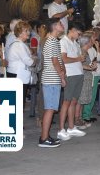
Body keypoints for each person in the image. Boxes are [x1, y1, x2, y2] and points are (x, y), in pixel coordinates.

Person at [39, 18, 66, 148]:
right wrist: (62, 77)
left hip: (52, 79)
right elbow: (55, 61)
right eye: (60, 23)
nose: (62, 25)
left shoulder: (54, 41)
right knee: (50, 109)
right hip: (51, 79)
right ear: (55, 26)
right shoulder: (51, 41)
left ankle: (46, 136)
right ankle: (44, 139)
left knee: (51, 108)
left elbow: (57, 60)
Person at [58, 23, 86, 140]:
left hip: (78, 74)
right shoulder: (63, 42)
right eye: (78, 34)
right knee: (66, 102)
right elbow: (63, 59)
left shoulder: (75, 42)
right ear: (73, 30)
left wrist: (82, 61)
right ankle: (61, 129)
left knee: (73, 101)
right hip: (70, 75)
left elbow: (78, 59)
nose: (79, 36)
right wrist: (78, 59)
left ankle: (71, 127)